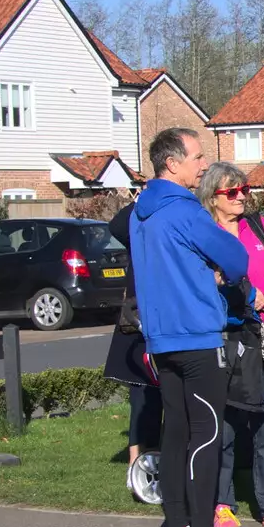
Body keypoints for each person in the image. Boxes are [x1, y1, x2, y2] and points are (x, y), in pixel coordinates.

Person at [131, 127, 257, 527]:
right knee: (206, 433)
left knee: (176, 432)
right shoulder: (184, 211)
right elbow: (237, 259)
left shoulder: (140, 212)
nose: (203, 166)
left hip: (162, 337)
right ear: (173, 163)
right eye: (197, 157)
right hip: (197, 334)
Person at [200, 162, 264, 527]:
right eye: (231, 192)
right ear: (212, 197)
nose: (241, 197)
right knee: (222, 427)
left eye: (244, 190)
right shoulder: (203, 233)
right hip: (224, 338)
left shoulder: (260, 226)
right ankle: (222, 504)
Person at [105, 201, 162, 486]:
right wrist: (141, 200)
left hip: (171, 319)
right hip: (140, 319)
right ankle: (136, 463)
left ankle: (162, 458)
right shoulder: (139, 230)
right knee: (142, 397)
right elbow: (117, 225)